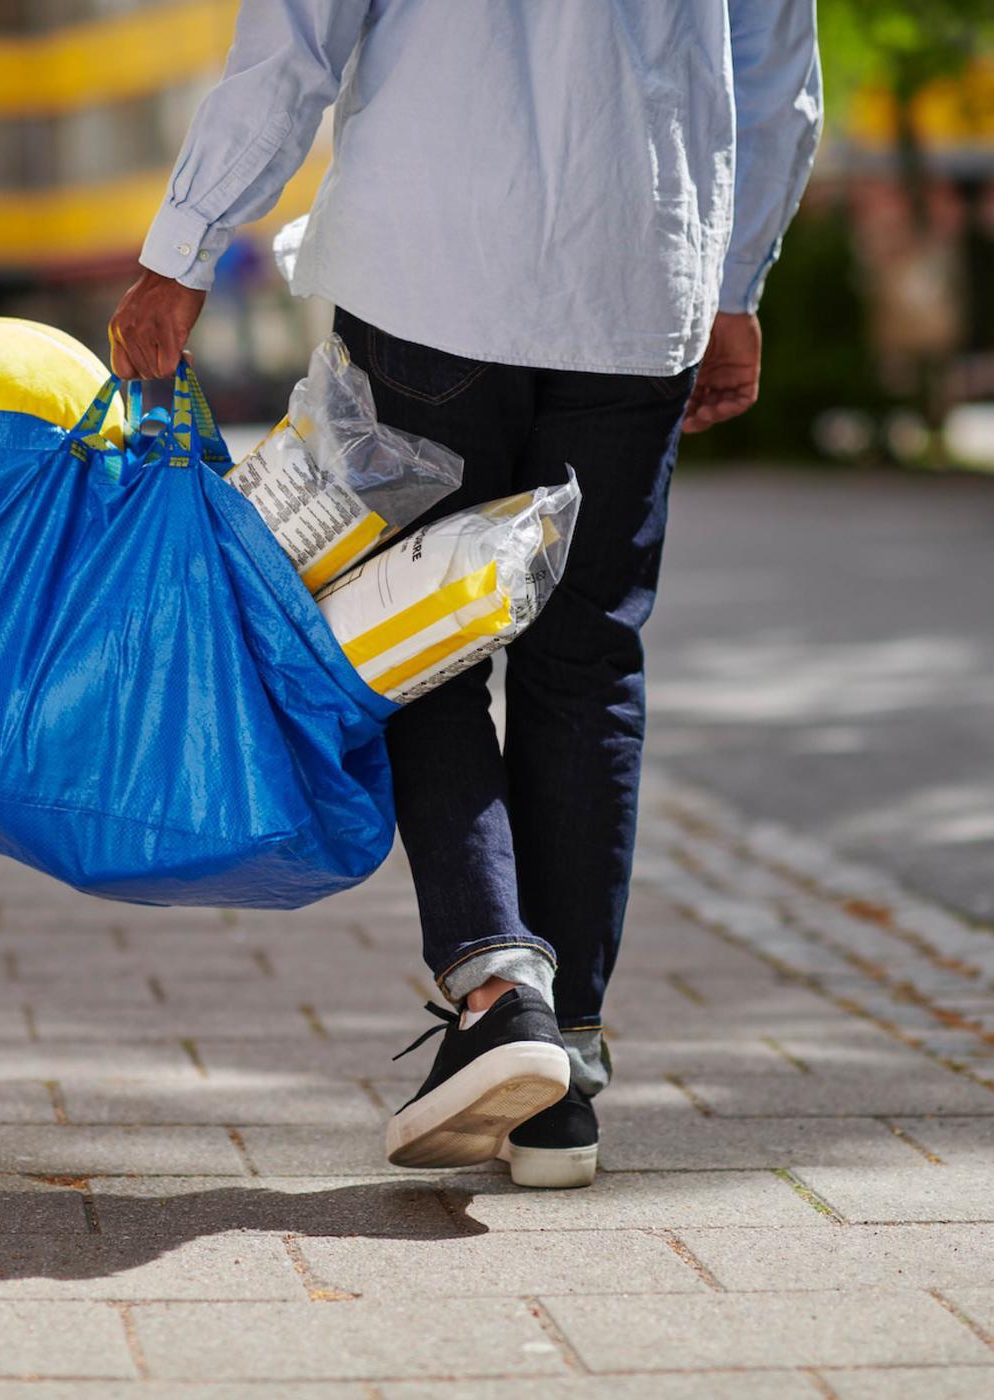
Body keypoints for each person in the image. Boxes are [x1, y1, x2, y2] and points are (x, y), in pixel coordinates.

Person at [109, 1, 822, 1188]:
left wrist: (182, 250)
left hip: (430, 268)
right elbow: (772, 69)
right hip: (633, 273)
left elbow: (294, 39)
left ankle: (500, 992)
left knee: (413, 640)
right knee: (584, 661)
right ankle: (564, 1072)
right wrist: (736, 279)